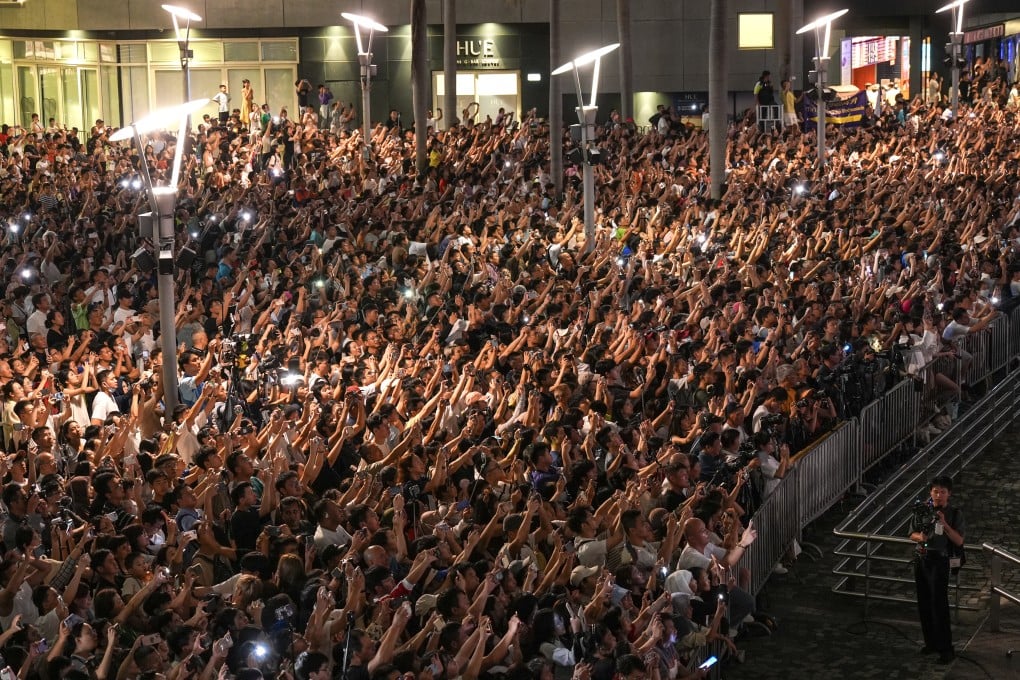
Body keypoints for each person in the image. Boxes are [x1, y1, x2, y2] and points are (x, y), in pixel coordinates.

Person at [909, 475, 965, 664]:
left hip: (940, 561)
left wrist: (944, 524)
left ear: (949, 494)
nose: (938, 495)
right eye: (935, 491)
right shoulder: (922, 510)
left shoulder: (954, 513)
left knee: (939, 604)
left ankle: (946, 648)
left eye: (942, 492)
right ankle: (930, 643)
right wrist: (921, 537)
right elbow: (912, 534)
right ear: (930, 492)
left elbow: (959, 540)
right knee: (924, 602)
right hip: (922, 558)